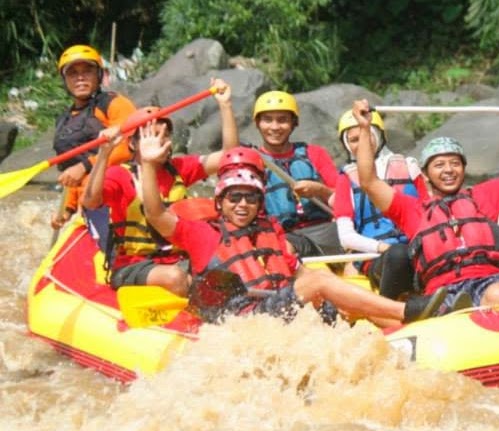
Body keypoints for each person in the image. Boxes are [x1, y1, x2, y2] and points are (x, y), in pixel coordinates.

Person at [138, 145, 446, 326]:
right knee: (321, 282)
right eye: (234, 198)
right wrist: (150, 164)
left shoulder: (271, 231)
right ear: (220, 202)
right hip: (245, 320)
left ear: (259, 201)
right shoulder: (201, 234)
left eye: (250, 197)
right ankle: (408, 311)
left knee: (333, 295)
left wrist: (332, 296)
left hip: (282, 312)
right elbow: (155, 213)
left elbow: (298, 272)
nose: (242, 204)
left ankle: (415, 325)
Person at [351, 98, 499, 309]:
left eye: (455, 163)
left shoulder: (484, 196)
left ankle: (483, 313)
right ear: (425, 175)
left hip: (488, 281)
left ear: (463, 169)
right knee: (443, 302)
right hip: (440, 290)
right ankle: (451, 311)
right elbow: (369, 181)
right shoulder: (412, 210)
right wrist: (364, 128)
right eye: (439, 165)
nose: (449, 170)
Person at [81, 79, 237, 297]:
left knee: (231, 268)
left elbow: (230, 157)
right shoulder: (120, 174)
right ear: (133, 144)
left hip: (180, 259)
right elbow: (90, 202)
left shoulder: (180, 168)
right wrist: (104, 154)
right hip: (133, 264)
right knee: (174, 277)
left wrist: (226, 105)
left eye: (165, 135)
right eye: (152, 135)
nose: (161, 142)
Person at [333, 108, 429, 300]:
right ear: (346, 144)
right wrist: (383, 248)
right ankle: (393, 308)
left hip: (415, 248)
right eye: (354, 140)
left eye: (367, 136)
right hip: (375, 255)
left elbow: (430, 214)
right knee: (399, 256)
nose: (362, 144)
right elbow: (346, 237)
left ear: (379, 136)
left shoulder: (408, 166)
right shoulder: (346, 178)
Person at [51, 44, 137, 230]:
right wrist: (67, 209)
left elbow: (126, 148)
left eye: (87, 70)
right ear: (64, 80)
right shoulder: (64, 120)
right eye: (72, 73)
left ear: (99, 75)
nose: (80, 77)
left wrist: (84, 166)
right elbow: (70, 172)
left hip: (116, 196)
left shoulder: (115, 104)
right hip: (84, 203)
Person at [250, 91, 343, 257]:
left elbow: (345, 201)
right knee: (286, 246)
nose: (275, 127)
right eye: (267, 119)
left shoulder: (315, 153)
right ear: (257, 123)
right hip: (284, 236)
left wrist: (321, 191)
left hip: (325, 229)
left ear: (294, 123)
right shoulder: (252, 160)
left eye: (282, 120)